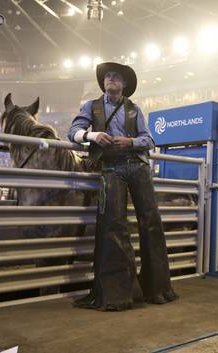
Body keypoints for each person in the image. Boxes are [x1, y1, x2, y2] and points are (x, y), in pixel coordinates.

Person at [67, 62, 177, 311]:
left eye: (116, 77)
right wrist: (92, 136)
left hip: (137, 166)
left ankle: (156, 289)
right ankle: (119, 295)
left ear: (124, 84)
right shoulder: (91, 107)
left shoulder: (134, 109)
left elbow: (148, 140)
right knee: (113, 225)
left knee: (151, 223)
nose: (111, 80)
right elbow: (72, 132)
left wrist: (129, 142)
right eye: (108, 76)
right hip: (111, 168)